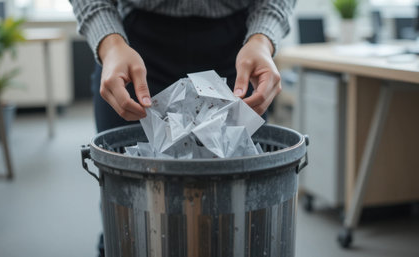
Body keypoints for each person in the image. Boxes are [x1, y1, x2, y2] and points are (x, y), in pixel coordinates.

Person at [70, 0, 295, 255]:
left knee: (234, 219)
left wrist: (262, 39)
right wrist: (110, 45)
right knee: (130, 220)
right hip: (132, 50)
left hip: (239, 50)